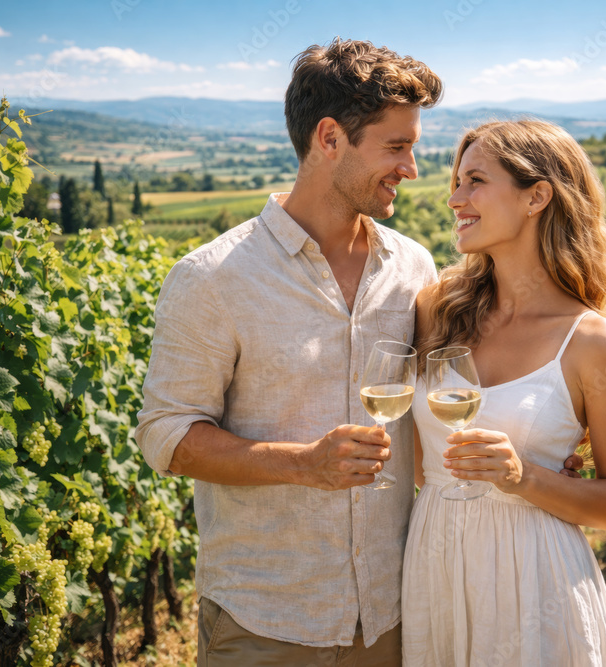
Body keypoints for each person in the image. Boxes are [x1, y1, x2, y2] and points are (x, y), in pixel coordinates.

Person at [134, 38, 443, 665]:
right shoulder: (212, 277)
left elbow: (438, 410)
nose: (411, 168)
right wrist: (304, 464)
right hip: (265, 623)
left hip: (391, 615)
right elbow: (165, 436)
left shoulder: (413, 267)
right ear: (329, 138)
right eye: (396, 146)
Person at [402, 119, 606, 666]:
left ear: (536, 197)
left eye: (475, 181)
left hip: (538, 580)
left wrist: (524, 477)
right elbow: (421, 465)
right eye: (457, 182)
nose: (454, 199)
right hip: (436, 566)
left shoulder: (595, 344)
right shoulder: (435, 309)